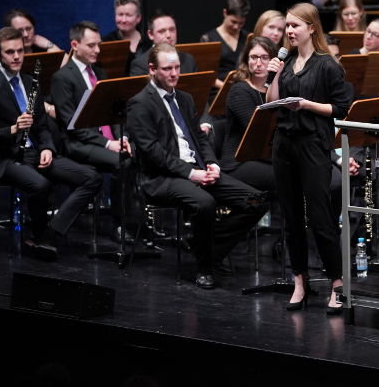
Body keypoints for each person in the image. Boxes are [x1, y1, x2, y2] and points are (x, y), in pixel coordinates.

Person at [127, 43, 265, 289]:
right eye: (167, 69)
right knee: (205, 203)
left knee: (256, 201)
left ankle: (205, 248)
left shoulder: (185, 97)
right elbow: (152, 153)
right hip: (163, 177)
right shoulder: (140, 103)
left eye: (177, 67)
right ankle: (205, 268)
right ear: (152, 69)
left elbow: (200, 139)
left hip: (198, 170)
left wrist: (211, 163)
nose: (174, 74)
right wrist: (191, 173)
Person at [266, 3, 352, 313]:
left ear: (311, 28)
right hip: (284, 145)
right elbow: (271, 102)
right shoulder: (285, 62)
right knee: (290, 217)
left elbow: (341, 109)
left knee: (320, 218)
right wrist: (274, 76)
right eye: (287, 25)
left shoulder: (327, 64)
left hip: (313, 144)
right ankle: (300, 281)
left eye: (295, 26)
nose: (289, 31)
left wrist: (307, 105)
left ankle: (336, 282)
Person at [0, 27, 102, 260]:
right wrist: (12, 129)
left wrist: (47, 148)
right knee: (41, 185)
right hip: (5, 156)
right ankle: (39, 234)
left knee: (91, 177)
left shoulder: (31, 81)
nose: (16, 57)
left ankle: (51, 233)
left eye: (20, 51)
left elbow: (42, 126)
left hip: (34, 152)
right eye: (10, 52)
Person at [51, 21, 133, 243]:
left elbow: (113, 112)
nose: (97, 50)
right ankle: (121, 224)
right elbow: (72, 125)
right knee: (122, 162)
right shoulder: (63, 78)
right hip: (78, 144)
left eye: (99, 45)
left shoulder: (100, 71)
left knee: (136, 154)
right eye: (91, 45)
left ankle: (136, 221)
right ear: (75, 45)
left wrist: (121, 137)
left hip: (105, 141)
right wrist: (108, 144)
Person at [219, 36, 278, 192]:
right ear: (246, 59)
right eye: (254, 57)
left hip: (264, 158)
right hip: (238, 163)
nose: (258, 63)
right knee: (284, 175)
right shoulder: (239, 90)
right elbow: (257, 133)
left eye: (265, 58)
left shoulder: (276, 89)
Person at [199, 0, 251, 91]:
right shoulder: (208, 38)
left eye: (241, 23)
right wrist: (228, 88)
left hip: (243, 89)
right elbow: (206, 75)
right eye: (233, 22)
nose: (236, 27)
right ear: (225, 13)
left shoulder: (247, 37)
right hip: (218, 91)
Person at [129, 11, 198, 76]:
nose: (168, 35)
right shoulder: (140, 64)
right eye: (162, 31)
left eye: (172, 29)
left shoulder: (188, 60)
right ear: (150, 34)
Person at [102, 0, 150, 74]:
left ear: (138, 18)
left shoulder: (149, 42)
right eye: (120, 14)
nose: (123, 20)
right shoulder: (106, 43)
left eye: (128, 15)